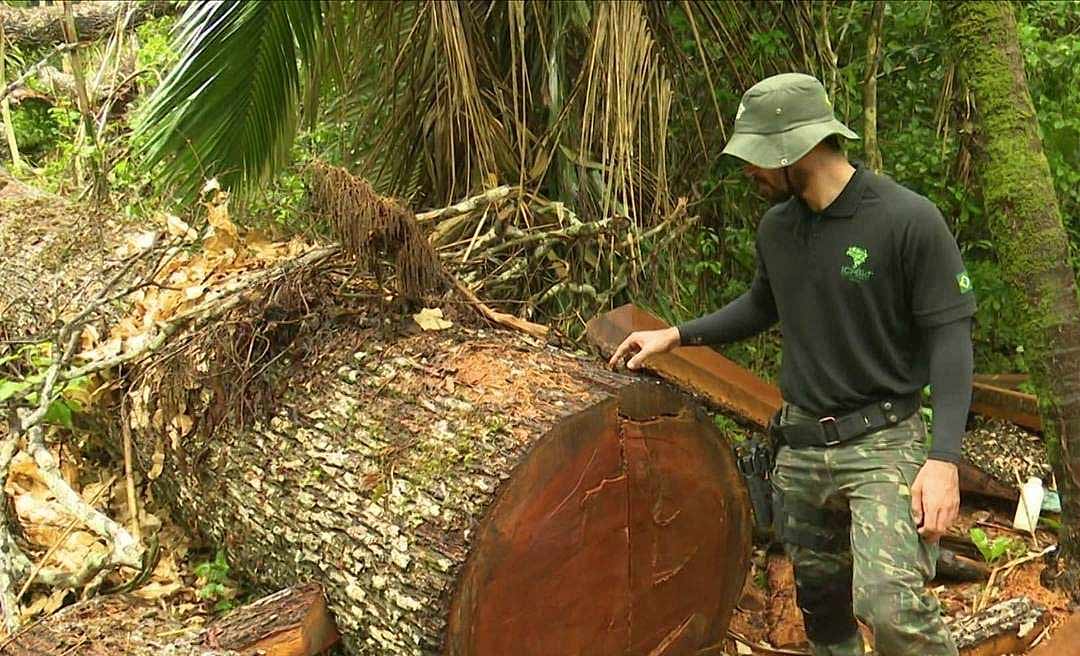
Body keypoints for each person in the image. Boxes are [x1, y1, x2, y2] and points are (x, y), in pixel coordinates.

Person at [609, 73, 974, 656]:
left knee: (890, 606)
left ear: (796, 148)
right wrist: (675, 336)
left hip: (881, 443)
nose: (749, 171)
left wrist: (943, 460)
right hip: (801, 449)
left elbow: (950, 338)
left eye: (756, 157)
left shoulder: (907, 220)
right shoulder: (778, 227)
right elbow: (761, 305)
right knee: (824, 613)